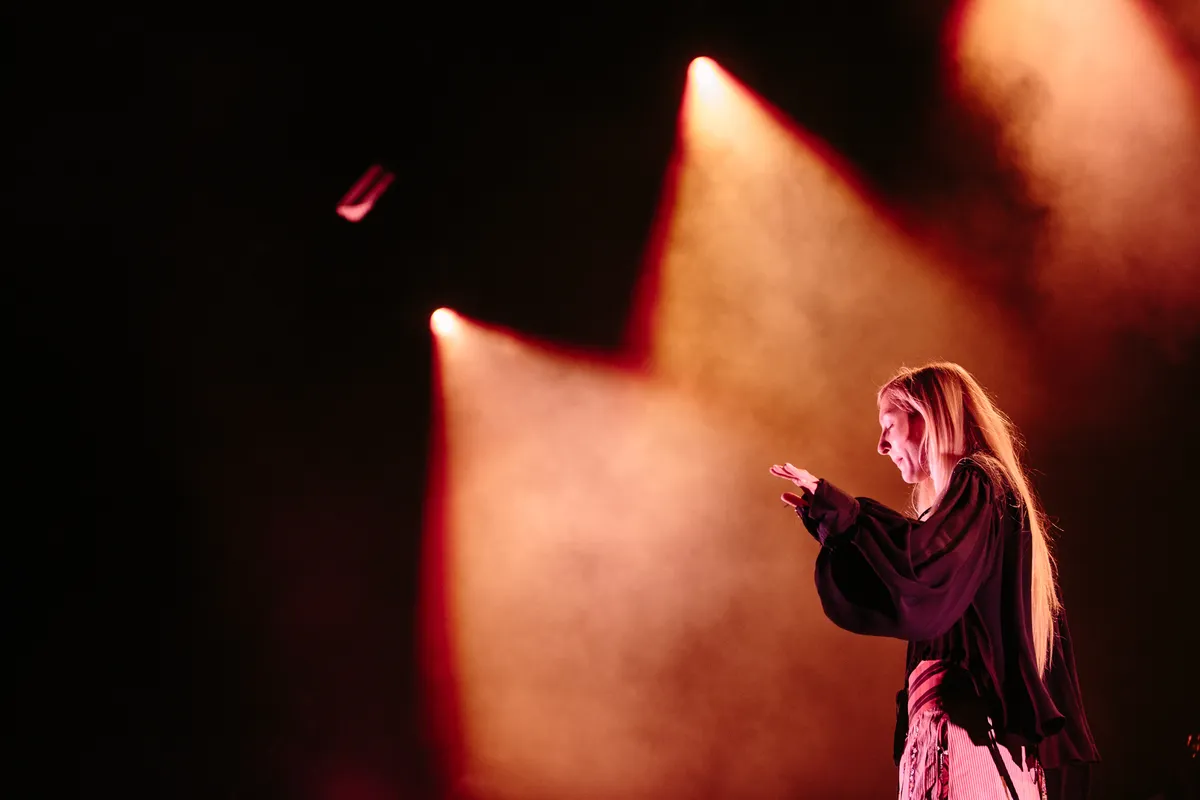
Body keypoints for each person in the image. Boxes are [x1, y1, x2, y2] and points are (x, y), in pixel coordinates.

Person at [771, 362, 1099, 800]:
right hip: (960, 746)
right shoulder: (982, 499)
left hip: (966, 744)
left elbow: (918, 569)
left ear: (926, 417)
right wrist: (835, 523)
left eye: (889, 425)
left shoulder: (981, 482)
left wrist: (843, 513)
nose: (881, 445)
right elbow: (905, 577)